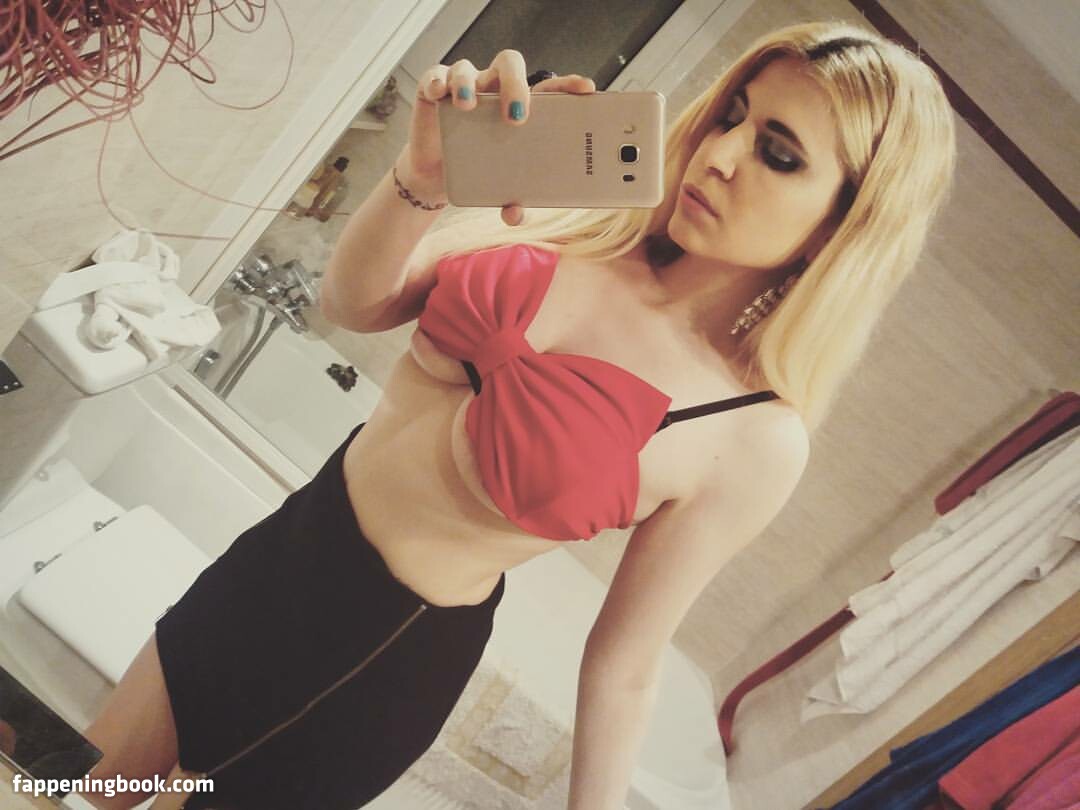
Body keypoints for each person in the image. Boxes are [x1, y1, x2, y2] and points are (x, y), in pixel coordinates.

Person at [80, 19, 956, 810]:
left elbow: (625, 665)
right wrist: (422, 179)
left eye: (779, 154)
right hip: (278, 556)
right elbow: (353, 305)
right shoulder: (581, 223)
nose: (720, 154)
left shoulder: (755, 432)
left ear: (842, 227)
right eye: (732, 115)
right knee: (72, 787)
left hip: (366, 662)